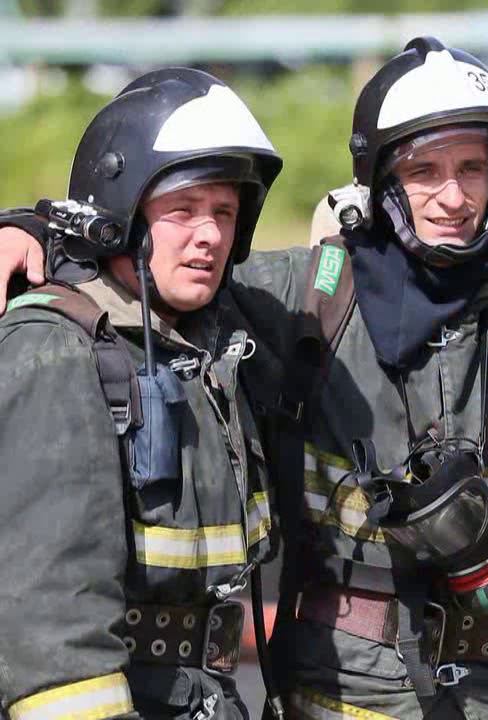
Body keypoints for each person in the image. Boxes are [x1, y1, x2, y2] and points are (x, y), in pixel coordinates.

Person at [0, 37, 488, 720]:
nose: (453, 196)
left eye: (472, 168)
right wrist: (34, 232)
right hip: (348, 697)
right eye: (424, 170)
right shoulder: (307, 298)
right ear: (382, 182)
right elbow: (143, 269)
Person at [0, 68, 281, 719]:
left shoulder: (208, 336)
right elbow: (50, 630)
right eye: (183, 210)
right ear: (118, 220)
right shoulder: (55, 349)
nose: (210, 235)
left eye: (224, 212)